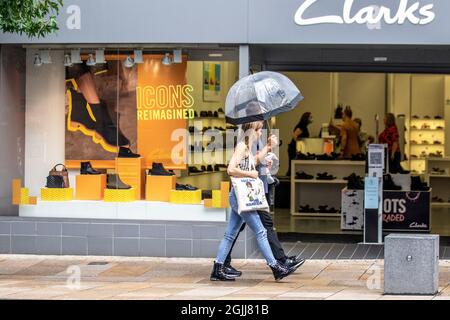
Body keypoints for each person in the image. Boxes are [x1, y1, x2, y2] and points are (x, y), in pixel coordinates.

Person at [210, 120, 302, 281]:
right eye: (259, 130)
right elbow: (231, 169)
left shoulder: (246, 147)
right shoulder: (242, 147)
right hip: (241, 197)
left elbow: (253, 162)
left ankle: (217, 269)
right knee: (260, 231)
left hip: (240, 196)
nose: (260, 133)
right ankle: (276, 267)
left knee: (230, 234)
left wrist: (268, 147)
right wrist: (250, 174)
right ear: (252, 131)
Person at [287, 112, 312, 176]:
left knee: (292, 166)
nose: (311, 119)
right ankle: (288, 183)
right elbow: (294, 136)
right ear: (306, 118)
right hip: (293, 149)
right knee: (292, 167)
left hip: (295, 148)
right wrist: (299, 146)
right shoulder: (301, 126)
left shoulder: (303, 126)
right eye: (310, 117)